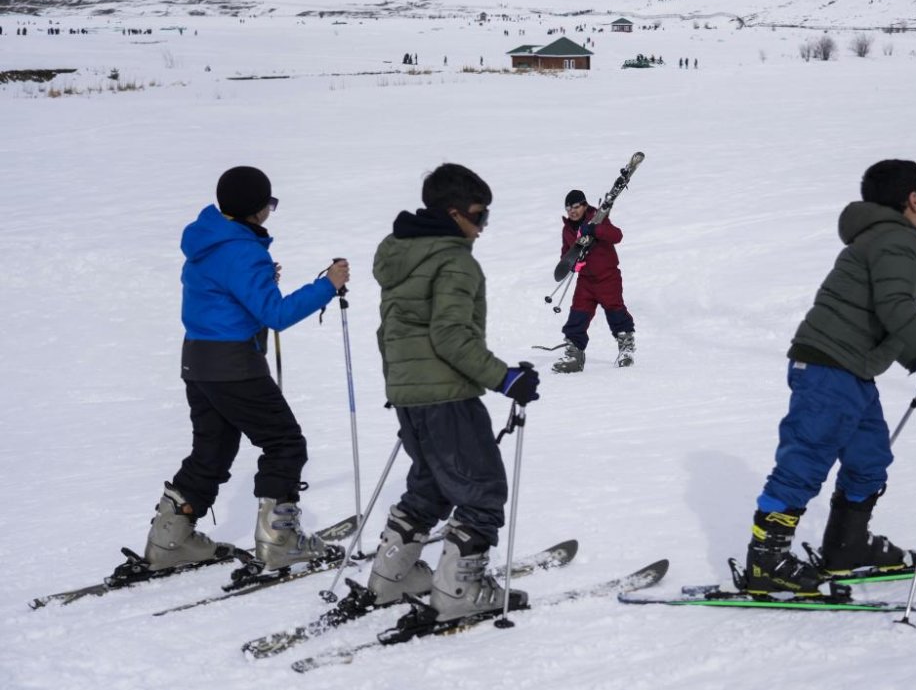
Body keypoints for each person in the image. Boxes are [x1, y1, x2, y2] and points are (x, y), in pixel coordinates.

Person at [743, 159, 916, 596]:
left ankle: (846, 547)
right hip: (828, 366)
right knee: (807, 457)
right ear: (913, 198)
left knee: (869, 458)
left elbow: (884, 317)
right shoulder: (896, 239)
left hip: (850, 368)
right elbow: (896, 310)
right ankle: (767, 560)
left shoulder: (890, 237)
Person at [142, 166, 350, 574]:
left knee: (212, 450)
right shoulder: (245, 251)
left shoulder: (206, 241)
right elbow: (275, 314)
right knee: (285, 443)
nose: (270, 211)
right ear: (257, 209)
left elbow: (224, 296)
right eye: (269, 204)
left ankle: (169, 539)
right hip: (234, 365)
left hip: (197, 362)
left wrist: (260, 282)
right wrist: (328, 284)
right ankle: (279, 541)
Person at [363, 163, 540, 621]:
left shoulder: (401, 254)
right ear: (454, 213)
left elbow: (396, 331)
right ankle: (459, 593)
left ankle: (390, 577)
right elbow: (450, 337)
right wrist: (506, 378)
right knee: (482, 490)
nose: (483, 228)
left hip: (408, 392)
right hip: (445, 394)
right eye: (479, 216)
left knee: (431, 485)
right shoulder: (454, 260)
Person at [552, 189, 636, 373]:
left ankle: (626, 349)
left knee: (615, 311)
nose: (572, 211)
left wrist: (596, 229)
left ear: (584, 205)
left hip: (607, 277)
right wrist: (573, 264)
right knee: (577, 315)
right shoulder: (567, 229)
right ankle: (574, 355)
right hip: (586, 281)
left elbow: (617, 236)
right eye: (568, 208)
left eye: (575, 207)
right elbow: (566, 254)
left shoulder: (597, 218)